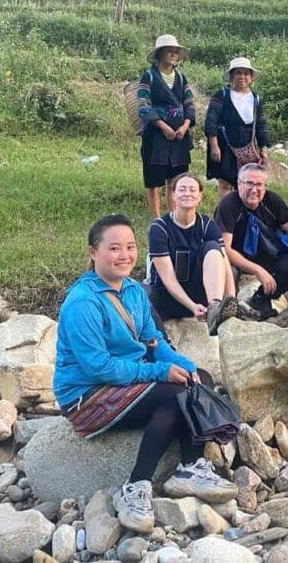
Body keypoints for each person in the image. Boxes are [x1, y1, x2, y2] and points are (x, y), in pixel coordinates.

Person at [53, 214, 237, 535]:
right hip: (89, 395)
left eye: (130, 247)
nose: (124, 255)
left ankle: (190, 467)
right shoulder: (82, 303)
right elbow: (100, 367)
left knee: (198, 380)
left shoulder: (135, 291)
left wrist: (183, 366)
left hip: (127, 381)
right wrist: (160, 372)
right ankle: (136, 484)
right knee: (176, 392)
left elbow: (154, 342)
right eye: (114, 248)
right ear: (93, 253)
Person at [213, 162, 288, 335]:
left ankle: (261, 299)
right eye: (249, 183)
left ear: (265, 186)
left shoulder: (272, 200)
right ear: (239, 183)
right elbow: (225, 249)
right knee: (228, 270)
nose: (254, 189)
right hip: (236, 256)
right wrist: (258, 271)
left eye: (259, 184)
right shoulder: (228, 205)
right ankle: (228, 312)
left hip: (267, 252)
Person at [148, 173, 238, 326]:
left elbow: (224, 263)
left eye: (192, 189)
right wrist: (192, 306)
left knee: (213, 248)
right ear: (173, 195)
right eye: (182, 190)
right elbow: (168, 278)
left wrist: (231, 301)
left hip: (200, 294)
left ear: (200, 196)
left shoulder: (207, 224)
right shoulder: (159, 228)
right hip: (168, 296)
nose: (187, 193)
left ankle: (215, 307)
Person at [138, 34, 195, 219]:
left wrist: (185, 126)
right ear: (160, 53)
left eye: (176, 51)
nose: (173, 54)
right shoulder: (149, 76)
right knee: (153, 179)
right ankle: (156, 218)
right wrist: (163, 126)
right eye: (170, 51)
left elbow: (189, 103)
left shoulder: (181, 77)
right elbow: (143, 105)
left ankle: (172, 216)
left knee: (176, 178)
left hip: (179, 136)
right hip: (155, 136)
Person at [204, 56, 270, 197]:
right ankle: (224, 216)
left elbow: (260, 125)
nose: (242, 77)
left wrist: (264, 148)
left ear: (251, 77)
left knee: (247, 183)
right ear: (231, 76)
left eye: (246, 73)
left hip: (248, 147)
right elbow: (211, 120)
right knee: (225, 183)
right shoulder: (221, 95)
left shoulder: (256, 99)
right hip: (224, 146)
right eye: (238, 73)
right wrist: (214, 146)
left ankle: (243, 215)